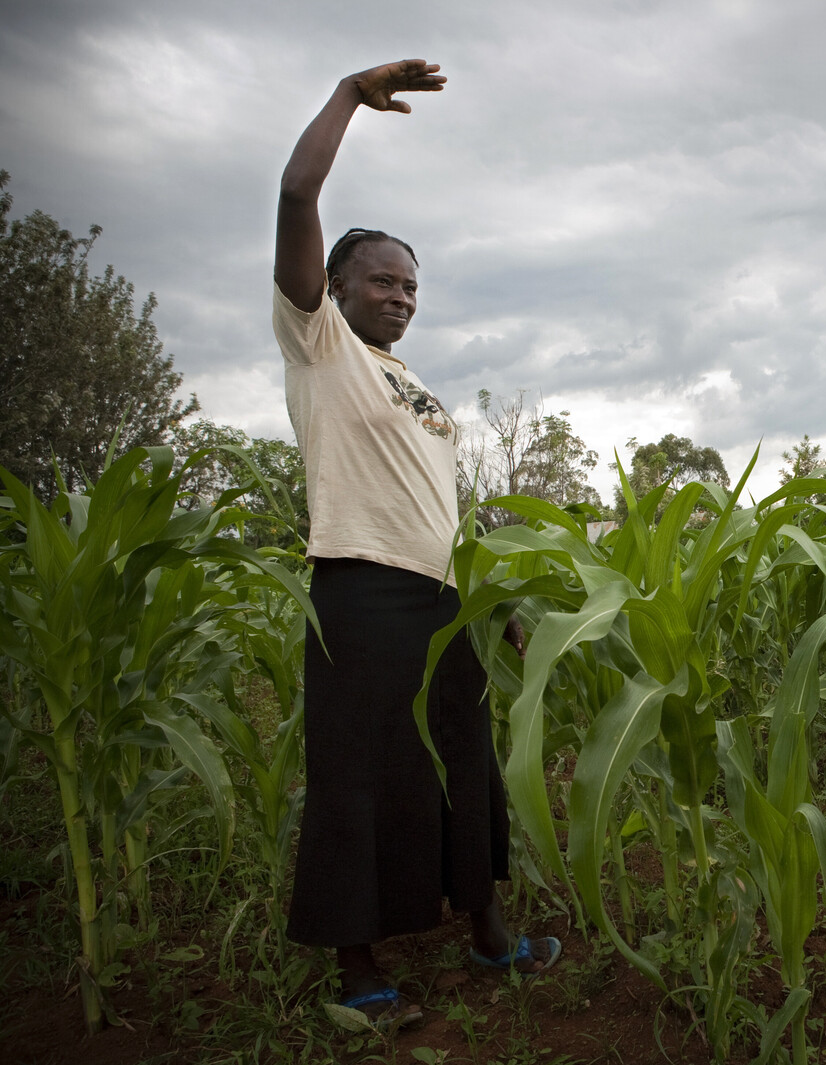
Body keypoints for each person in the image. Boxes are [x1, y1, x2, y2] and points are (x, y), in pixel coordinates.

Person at [273, 59, 558, 1028]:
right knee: (359, 775)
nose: (399, 296)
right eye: (380, 281)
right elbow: (297, 192)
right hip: (361, 592)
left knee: (463, 763)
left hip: (443, 601)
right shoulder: (321, 348)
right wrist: (351, 96)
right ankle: (359, 971)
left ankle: (487, 935)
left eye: (410, 285)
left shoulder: (417, 387)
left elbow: (441, 502)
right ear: (337, 287)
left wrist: (492, 598)